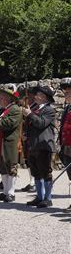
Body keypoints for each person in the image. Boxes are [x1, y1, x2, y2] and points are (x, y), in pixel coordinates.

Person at [23, 85, 56, 208]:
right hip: (33, 145)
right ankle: (39, 197)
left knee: (45, 172)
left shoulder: (49, 110)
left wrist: (30, 114)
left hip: (43, 146)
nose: (36, 96)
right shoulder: (35, 108)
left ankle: (48, 198)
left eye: (39, 95)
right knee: (36, 172)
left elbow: (41, 123)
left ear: (45, 98)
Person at [0, 85, 22, 203]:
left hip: (10, 142)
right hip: (1, 141)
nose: (0, 100)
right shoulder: (3, 110)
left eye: (2, 98)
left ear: (8, 99)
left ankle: (11, 192)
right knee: (2, 167)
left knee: (11, 166)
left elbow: (10, 123)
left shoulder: (15, 109)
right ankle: (5, 191)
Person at [59, 78, 71, 212]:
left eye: (69, 93)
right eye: (66, 93)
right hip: (67, 147)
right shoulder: (67, 108)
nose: (66, 96)